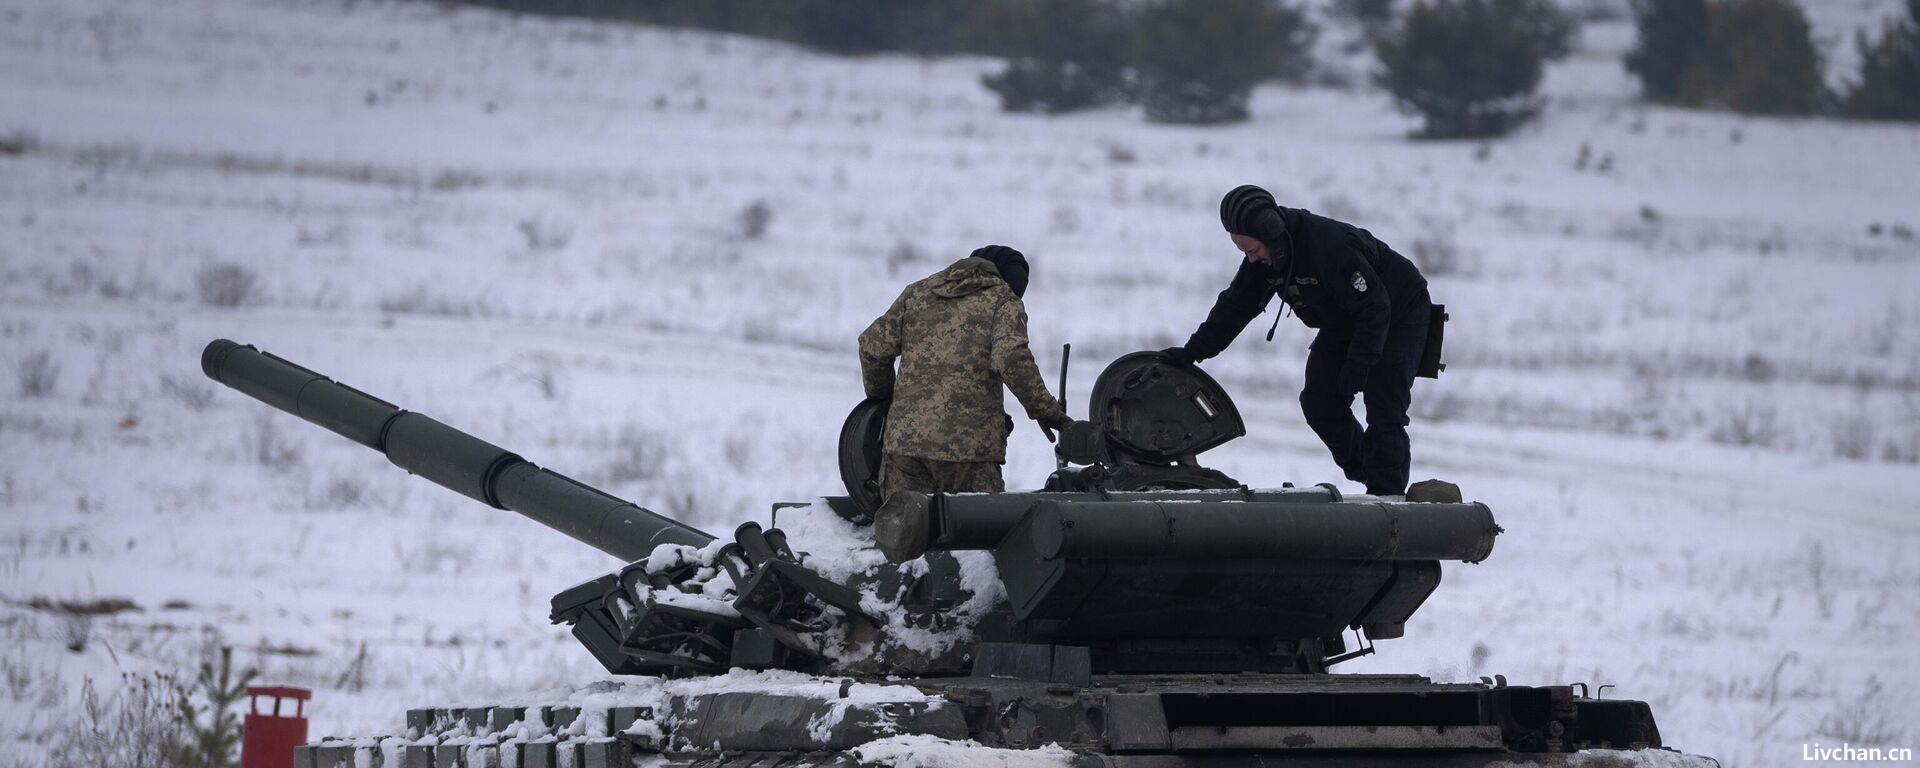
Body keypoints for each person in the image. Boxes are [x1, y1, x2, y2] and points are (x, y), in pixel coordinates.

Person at [1163, 185, 1432, 498]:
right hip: (1345, 318)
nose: (1251, 258)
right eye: (1244, 252)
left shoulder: (1328, 247)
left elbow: (1375, 308)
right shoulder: (1265, 261)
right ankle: (1369, 469)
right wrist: (1193, 352)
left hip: (1397, 310)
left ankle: (1388, 493)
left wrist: (1359, 366)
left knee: (1384, 402)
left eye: (1253, 249)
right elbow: (1234, 308)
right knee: (1319, 402)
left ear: (1270, 232)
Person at [859, 244, 1072, 561]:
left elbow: (872, 348)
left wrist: (887, 403)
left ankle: (899, 607)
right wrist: (1047, 411)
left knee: (900, 545)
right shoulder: (1003, 300)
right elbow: (1011, 358)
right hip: (971, 454)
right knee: (978, 554)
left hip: (905, 450)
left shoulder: (917, 293)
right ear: (1008, 280)